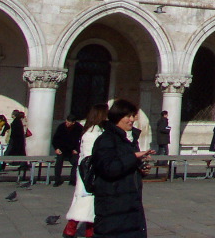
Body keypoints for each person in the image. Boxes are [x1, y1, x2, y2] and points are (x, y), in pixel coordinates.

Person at [91, 99, 153, 237]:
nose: (132, 120)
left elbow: (125, 165)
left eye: (133, 116)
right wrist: (134, 156)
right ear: (117, 117)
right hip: (113, 206)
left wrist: (141, 169)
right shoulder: (106, 140)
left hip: (129, 204)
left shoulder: (128, 140)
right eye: (128, 116)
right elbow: (108, 168)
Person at [62, 103, 108, 238]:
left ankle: (79, 229)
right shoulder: (92, 133)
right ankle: (74, 229)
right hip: (89, 172)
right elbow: (89, 156)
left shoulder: (98, 130)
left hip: (92, 171)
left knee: (90, 203)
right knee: (86, 201)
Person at [52, 114, 84, 186]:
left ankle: (72, 180)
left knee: (76, 162)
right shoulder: (61, 127)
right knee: (59, 162)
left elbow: (82, 140)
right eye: (66, 121)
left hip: (72, 151)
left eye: (69, 122)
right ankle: (57, 180)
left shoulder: (79, 128)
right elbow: (55, 139)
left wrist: (77, 149)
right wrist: (56, 148)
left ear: (73, 122)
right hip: (62, 150)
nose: (67, 124)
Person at [7, 109, 27, 175]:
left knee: (7, 152)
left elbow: (15, 132)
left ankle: (2, 165)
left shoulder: (16, 121)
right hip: (18, 140)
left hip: (15, 140)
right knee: (21, 152)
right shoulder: (19, 121)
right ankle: (23, 165)